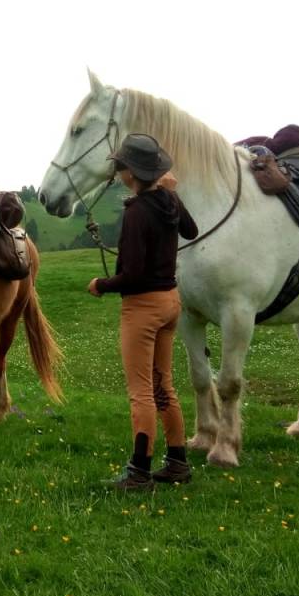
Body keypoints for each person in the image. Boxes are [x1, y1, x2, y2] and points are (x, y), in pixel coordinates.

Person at [87, 133, 198, 490]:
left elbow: (131, 275)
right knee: (164, 383)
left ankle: (139, 472)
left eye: (121, 167)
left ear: (130, 173)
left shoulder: (137, 212)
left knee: (141, 390)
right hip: (170, 302)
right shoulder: (168, 200)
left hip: (143, 308)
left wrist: (101, 285)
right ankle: (177, 463)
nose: (119, 173)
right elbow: (191, 230)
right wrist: (172, 192)